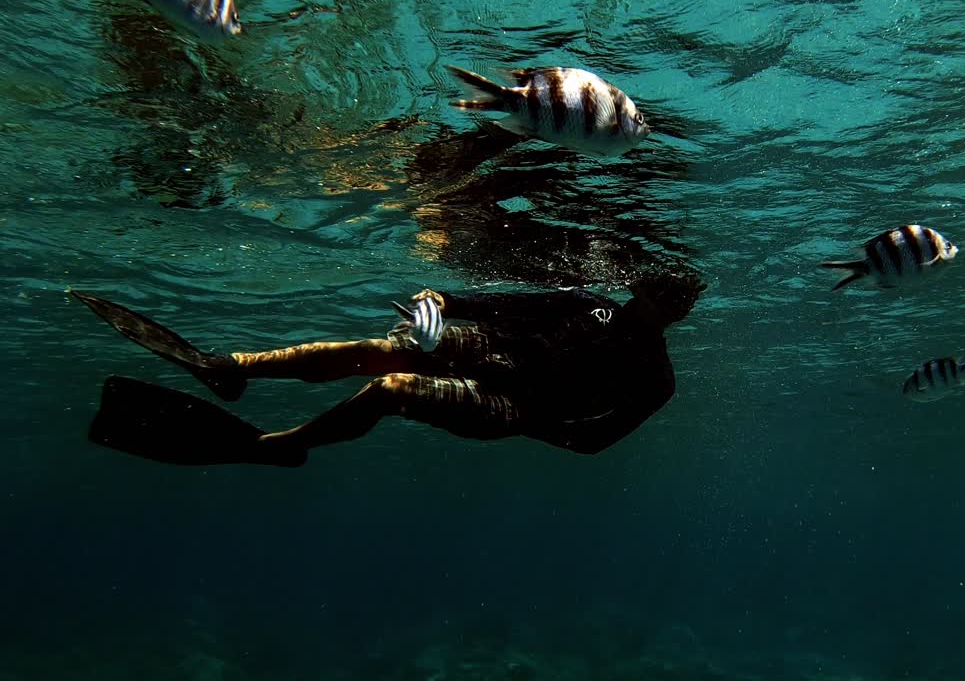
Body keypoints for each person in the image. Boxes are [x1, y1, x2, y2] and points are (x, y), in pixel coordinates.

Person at [73, 274, 704, 468]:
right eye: (652, 289)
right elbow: (500, 306)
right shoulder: (587, 304)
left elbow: (593, 441)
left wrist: (531, 421)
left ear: (677, 312)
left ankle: (281, 446)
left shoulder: (656, 378)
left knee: (391, 388)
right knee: (386, 347)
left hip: (515, 407)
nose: (650, 301)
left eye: (667, 299)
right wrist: (443, 302)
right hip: (496, 353)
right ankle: (230, 367)